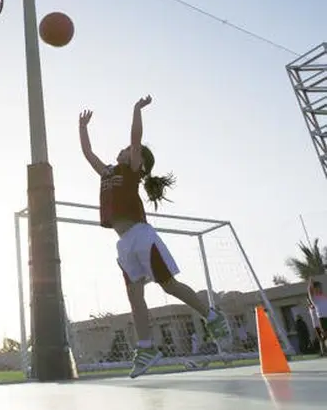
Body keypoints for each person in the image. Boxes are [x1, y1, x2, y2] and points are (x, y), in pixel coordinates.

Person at [78, 95, 232, 379]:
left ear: (138, 161)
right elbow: (88, 154)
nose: (123, 150)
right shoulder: (107, 172)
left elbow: (136, 139)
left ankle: (211, 315)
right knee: (134, 296)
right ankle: (147, 348)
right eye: (124, 149)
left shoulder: (132, 170)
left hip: (141, 235)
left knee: (168, 285)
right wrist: (83, 128)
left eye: (126, 149)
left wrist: (136, 110)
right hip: (123, 242)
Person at [307, 279, 327, 356]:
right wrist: (310, 284)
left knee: (324, 336)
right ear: (315, 289)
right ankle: (323, 350)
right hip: (322, 318)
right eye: (319, 287)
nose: (321, 289)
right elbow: (310, 292)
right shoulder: (314, 298)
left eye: (321, 287)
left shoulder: (324, 296)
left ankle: (323, 350)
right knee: (325, 335)